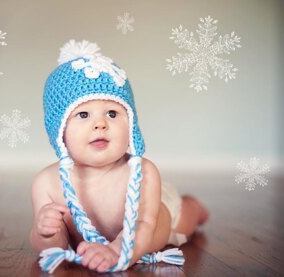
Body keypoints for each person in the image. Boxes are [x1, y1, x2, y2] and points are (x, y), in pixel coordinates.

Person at [30, 40, 209, 273]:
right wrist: (46, 232)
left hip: (160, 215)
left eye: (112, 113)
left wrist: (116, 251)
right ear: (59, 130)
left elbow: (144, 225)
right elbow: (53, 246)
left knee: (186, 220)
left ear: (131, 123)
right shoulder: (47, 182)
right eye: (83, 114)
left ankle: (193, 206)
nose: (100, 124)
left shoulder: (142, 172)